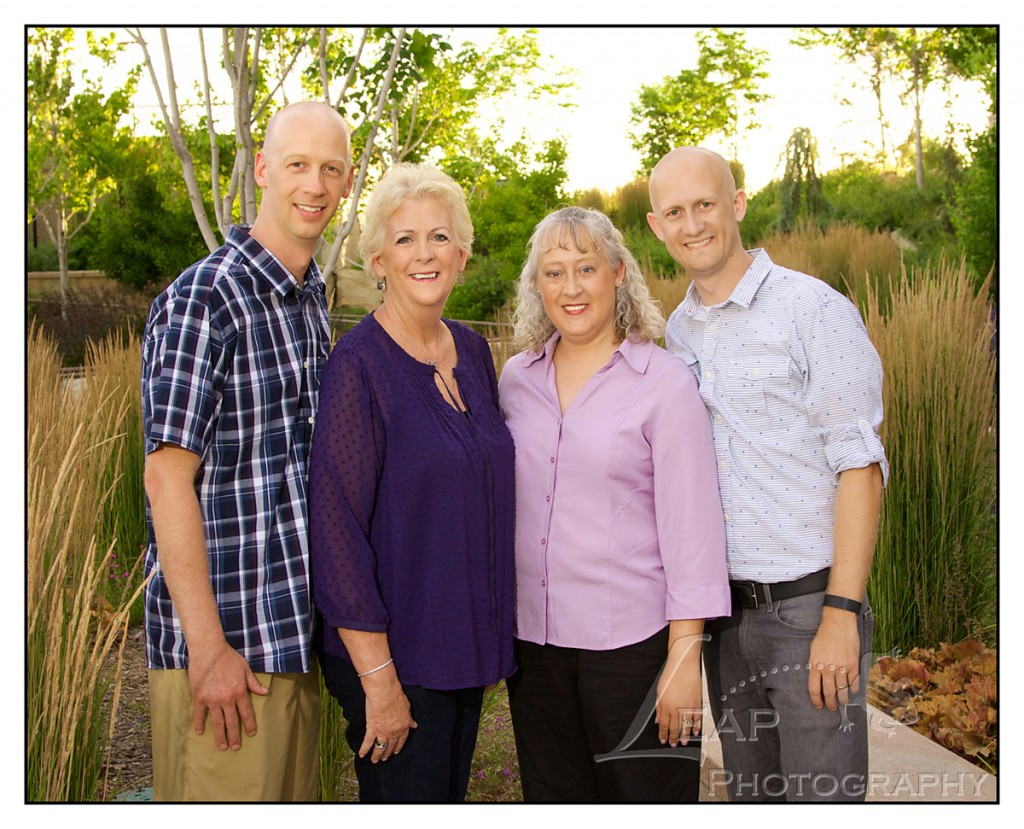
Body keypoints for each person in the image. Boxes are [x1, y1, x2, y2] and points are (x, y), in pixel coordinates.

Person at [646, 146, 888, 802]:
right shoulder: (678, 334)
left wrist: (841, 610)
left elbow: (860, 468)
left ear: (737, 204)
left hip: (809, 610)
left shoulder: (812, 310)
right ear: (656, 226)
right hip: (728, 620)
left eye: (705, 204)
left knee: (823, 801)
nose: (693, 223)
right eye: (676, 211)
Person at [141, 101, 354, 802]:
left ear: (349, 182)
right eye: (297, 164)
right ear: (262, 170)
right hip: (225, 656)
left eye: (330, 168)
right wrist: (208, 650)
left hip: (291, 641)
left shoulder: (309, 300)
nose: (313, 185)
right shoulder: (208, 297)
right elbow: (168, 479)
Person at [498, 206, 730, 802]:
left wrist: (683, 662)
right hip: (537, 648)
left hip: (634, 650)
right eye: (554, 273)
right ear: (536, 285)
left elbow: (693, 533)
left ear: (618, 273)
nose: (571, 288)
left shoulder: (664, 382)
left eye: (585, 268)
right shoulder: (516, 379)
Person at [308, 163, 516, 803]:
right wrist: (378, 678)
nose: (423, 253)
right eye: (404, 240)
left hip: (457, 646)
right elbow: (335, 528)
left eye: (439, 237)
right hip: (394, 659)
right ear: (377, 261)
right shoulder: (360, 366)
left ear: (462, 253)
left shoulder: (473, 353)